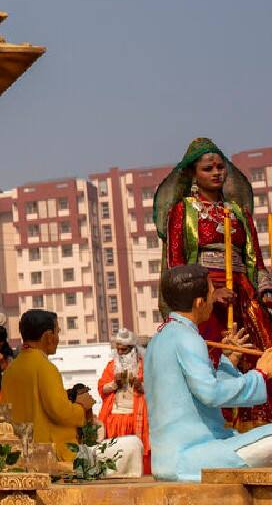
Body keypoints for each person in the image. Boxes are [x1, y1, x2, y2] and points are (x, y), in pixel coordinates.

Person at [154, 137, 272, 426]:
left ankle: (258, 424)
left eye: (221, 167)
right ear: (194, 173)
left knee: (264, 346)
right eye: (208, 168)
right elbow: (176, 263)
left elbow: (254, 258)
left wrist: (265, 290)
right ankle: (220, 425)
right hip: (203, 293)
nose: (217, 172)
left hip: (242, 290)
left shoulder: (238, 212)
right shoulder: (183, 211)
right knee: (210, 357)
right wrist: (210, 292)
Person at [145, 264, 272, 481]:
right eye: (212, 294)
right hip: (192, 457)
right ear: (199, 302)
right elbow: (211, 393)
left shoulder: (160, 338)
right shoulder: (187, 337)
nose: (214, 300)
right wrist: (260, 374)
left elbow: (198, 391)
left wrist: (228, 361)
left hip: (170, 459)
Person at [0, 309, 95, 462]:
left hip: (21, 453)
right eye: (57, 332)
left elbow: (11, 411)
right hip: (49, 453)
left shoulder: (11, 370)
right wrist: (81, 406)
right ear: (48, 336)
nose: (58, 337)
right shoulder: (45, 368)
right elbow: (60, 412)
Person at [98, 328, 151, 473]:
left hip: (136, 418)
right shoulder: (111, 366)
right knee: (115, 455)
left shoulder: (144, 366)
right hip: (114, 419)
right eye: (118, 349)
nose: (120, 353)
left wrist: (140, 386)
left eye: (124, 350)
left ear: (133, 349)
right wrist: (115, 384)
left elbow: (154, 389)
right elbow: (102, 388)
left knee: (137, 455)